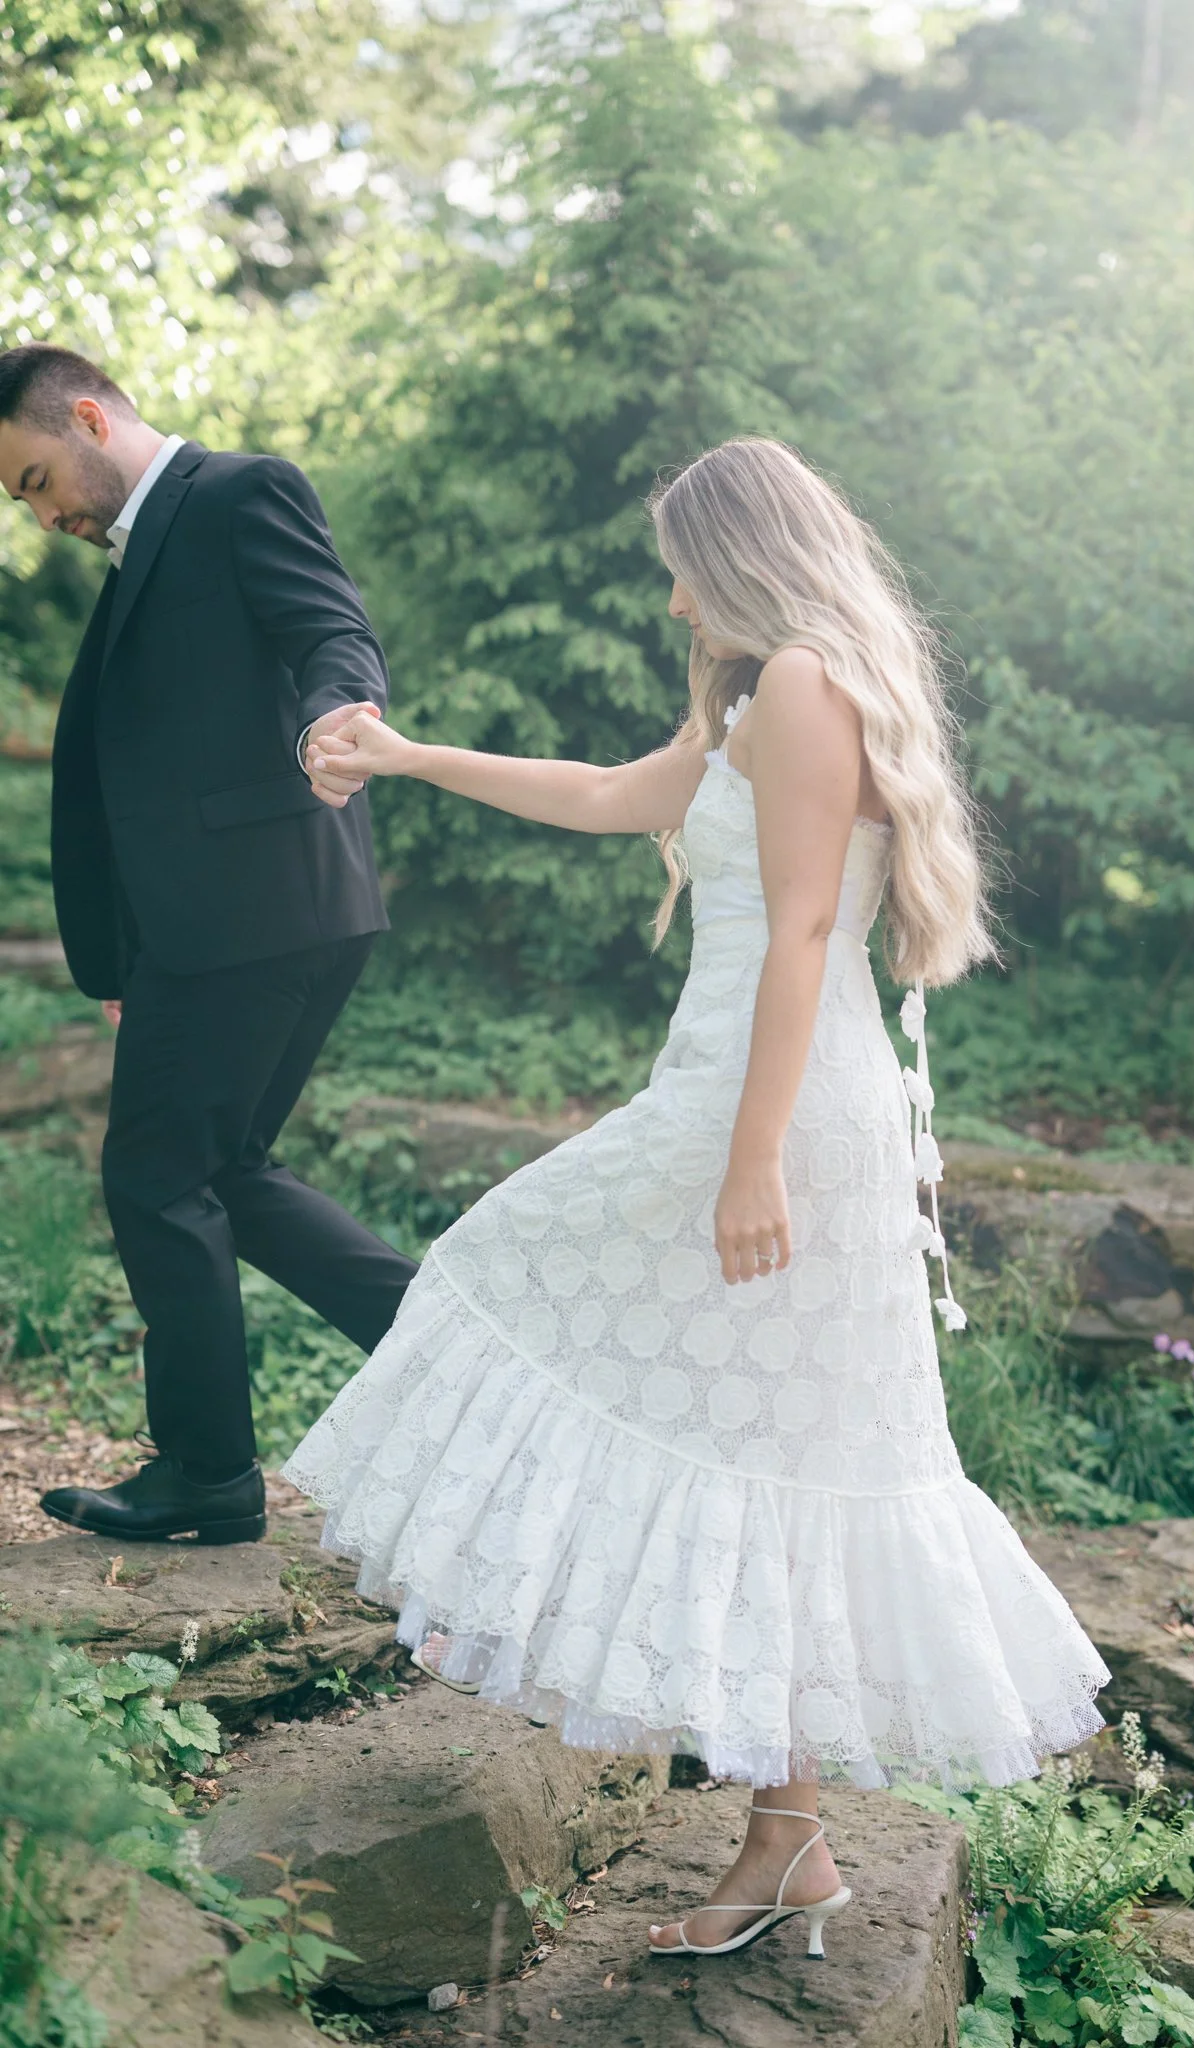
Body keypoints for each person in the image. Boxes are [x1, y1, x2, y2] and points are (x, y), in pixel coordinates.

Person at [283, 437, 1110, 1958]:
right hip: (750, 1097)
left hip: (770, 1111)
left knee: (510, 1266)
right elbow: (611, 792)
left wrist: (750, 1158)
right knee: (763, 1447)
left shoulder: (800, 682)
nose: (672, 601)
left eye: (681, 569)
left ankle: (783, 1832)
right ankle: (788, 1839)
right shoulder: (763, 696)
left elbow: (802, 931)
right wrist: (408, 756)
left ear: (739, 558)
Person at [0, 343, 418, 1545]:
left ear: (89, 419)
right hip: (231, 919)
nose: (41, 516)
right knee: (223, 1167)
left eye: (35, 480)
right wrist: (124, 955)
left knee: (154, 1173)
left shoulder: (239, 490)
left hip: (252, 910)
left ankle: (207, 1470)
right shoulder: (139, 549)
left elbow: (333, 631)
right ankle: (457, 1352)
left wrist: (338, 714)